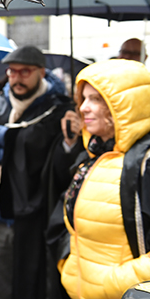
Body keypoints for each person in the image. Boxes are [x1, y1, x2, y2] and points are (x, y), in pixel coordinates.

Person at [0, 45, 80, 299]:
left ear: (41, 72)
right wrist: (18, 143)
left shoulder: (58, 110)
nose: (17, 78)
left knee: (34, 284)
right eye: (12, 72)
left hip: (38, 217)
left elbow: (57, 164)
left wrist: (67, 144)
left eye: (25, 72)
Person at [54, 59, 150, 299]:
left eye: (96, 99)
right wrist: (69, 268)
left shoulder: (145, 162)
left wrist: (112, 284)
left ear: (124, 105)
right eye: (83, 98)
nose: (83, 108)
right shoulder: (92, 156)